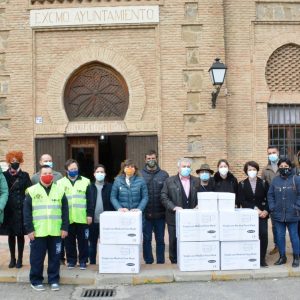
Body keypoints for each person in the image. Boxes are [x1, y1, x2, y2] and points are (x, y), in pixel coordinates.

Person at [23, 165, 69, 291]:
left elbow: (65, 211)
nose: (48, 175)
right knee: (37, 258)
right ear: (39, 175)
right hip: (38, 232)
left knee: (55, 258)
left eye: (50, 173)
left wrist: (65, 228)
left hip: (56, 231)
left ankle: (54, 279)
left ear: (53, 175)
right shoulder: (31, 191)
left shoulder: (60, 190)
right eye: (45, 173)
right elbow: (26, 213)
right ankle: (36, 280)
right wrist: (29, 230)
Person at [161, 157, 200, 264]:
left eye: (188, 167)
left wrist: (198, 205)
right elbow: (164, 197)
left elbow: (200, 196)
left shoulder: (196, 181)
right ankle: (174, 261)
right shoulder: (169, 181)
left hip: (191, 217)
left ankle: (189, 260)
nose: (186, 169)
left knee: (190, 240)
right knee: (173, 241)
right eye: (184, 166)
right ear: (178, 168)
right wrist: (173, 207)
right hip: (174, 216)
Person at [57, 159, 92, 270]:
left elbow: (90, 200)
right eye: (71, 169)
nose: (74, 171)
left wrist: (89, 214)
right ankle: (71, 261)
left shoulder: (86, 181)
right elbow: (59, 202)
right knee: (69, 242)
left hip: (82, 218)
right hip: (67, 219)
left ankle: (83, 261)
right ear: (66, 171)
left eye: (75, 169)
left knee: (83, 241)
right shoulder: (60, 183)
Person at [31, 154, 65, 264]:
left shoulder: (59, 175)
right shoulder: (34, 178)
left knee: (55, 253)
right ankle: (36, 279)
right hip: (40, 224)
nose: (48, 162)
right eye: (46, 160)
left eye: (50, 160)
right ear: (40, 162)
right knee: (38, 256)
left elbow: (63, 204)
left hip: (55, 219)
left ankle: (60, 260)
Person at [0, 151, 31, 269]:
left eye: (17, 161)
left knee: (20, 235)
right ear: (8, 162)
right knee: (11, 235)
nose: (15, 163)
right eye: (13, 161)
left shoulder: (25, 175)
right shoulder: (4, 175)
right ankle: (12, 258)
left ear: (20, 162)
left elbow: (29, 191)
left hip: (21, 209)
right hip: (9, 209)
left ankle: (20, 259)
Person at [268, 158, 300, 267]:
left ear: (290, 167)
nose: (283, 169)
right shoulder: (275, 180)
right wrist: (272, 207)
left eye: (285, 167)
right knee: (280, 236)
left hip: (293, 214)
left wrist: (297, 206)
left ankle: (296, 257)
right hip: (278, 214)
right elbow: (270, 194)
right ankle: (282, 257)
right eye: (281, 167)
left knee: (294, 236)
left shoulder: (296, 179)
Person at [237, 161, 269, 267]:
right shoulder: (241, 184)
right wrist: (254, 208)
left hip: (262, 215)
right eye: (250, 169)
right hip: (248, 215)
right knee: (248, 235)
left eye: (254, 169)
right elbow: (242, 200)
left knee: (263, 234)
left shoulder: (264, 183)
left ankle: (261, 259)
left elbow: (270, 199)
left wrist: (266, 211)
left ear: (257, 170)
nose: (252, 171)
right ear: (246, 171)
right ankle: (249, 257)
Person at [141, 150, 169, 264]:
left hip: (160, 214)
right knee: (147, 240)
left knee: (160, 240)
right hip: (146, 214)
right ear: (145, 160)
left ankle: (160, 262)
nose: (151, 161)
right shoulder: (140, 174)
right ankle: (148, 261)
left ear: (156, 159)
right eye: (149, 158)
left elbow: (167, 193)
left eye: (153, 158)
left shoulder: (164, 174)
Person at [86, 164, 113, 265]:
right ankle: (92, 263)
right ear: (94, 174)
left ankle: (105, 263)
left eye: (102, 172)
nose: (100, 174)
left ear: (105, 174)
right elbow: (87, 203)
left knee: (106, 244)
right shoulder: (89, 187)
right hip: (92, 221)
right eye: (98, 172)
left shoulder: (110, 187)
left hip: (106, 222)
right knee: (92, 244)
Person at [261, 145, 280, 255]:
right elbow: (263, 186)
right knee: (275, 225)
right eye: (269, 153)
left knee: (292, 225)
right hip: (273, 201)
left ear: (278, 153)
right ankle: (277, 246)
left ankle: (295, 247)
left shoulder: (284, 166)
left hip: (286, 201)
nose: (272, 155)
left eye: (274, 152)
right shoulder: (265, 170)